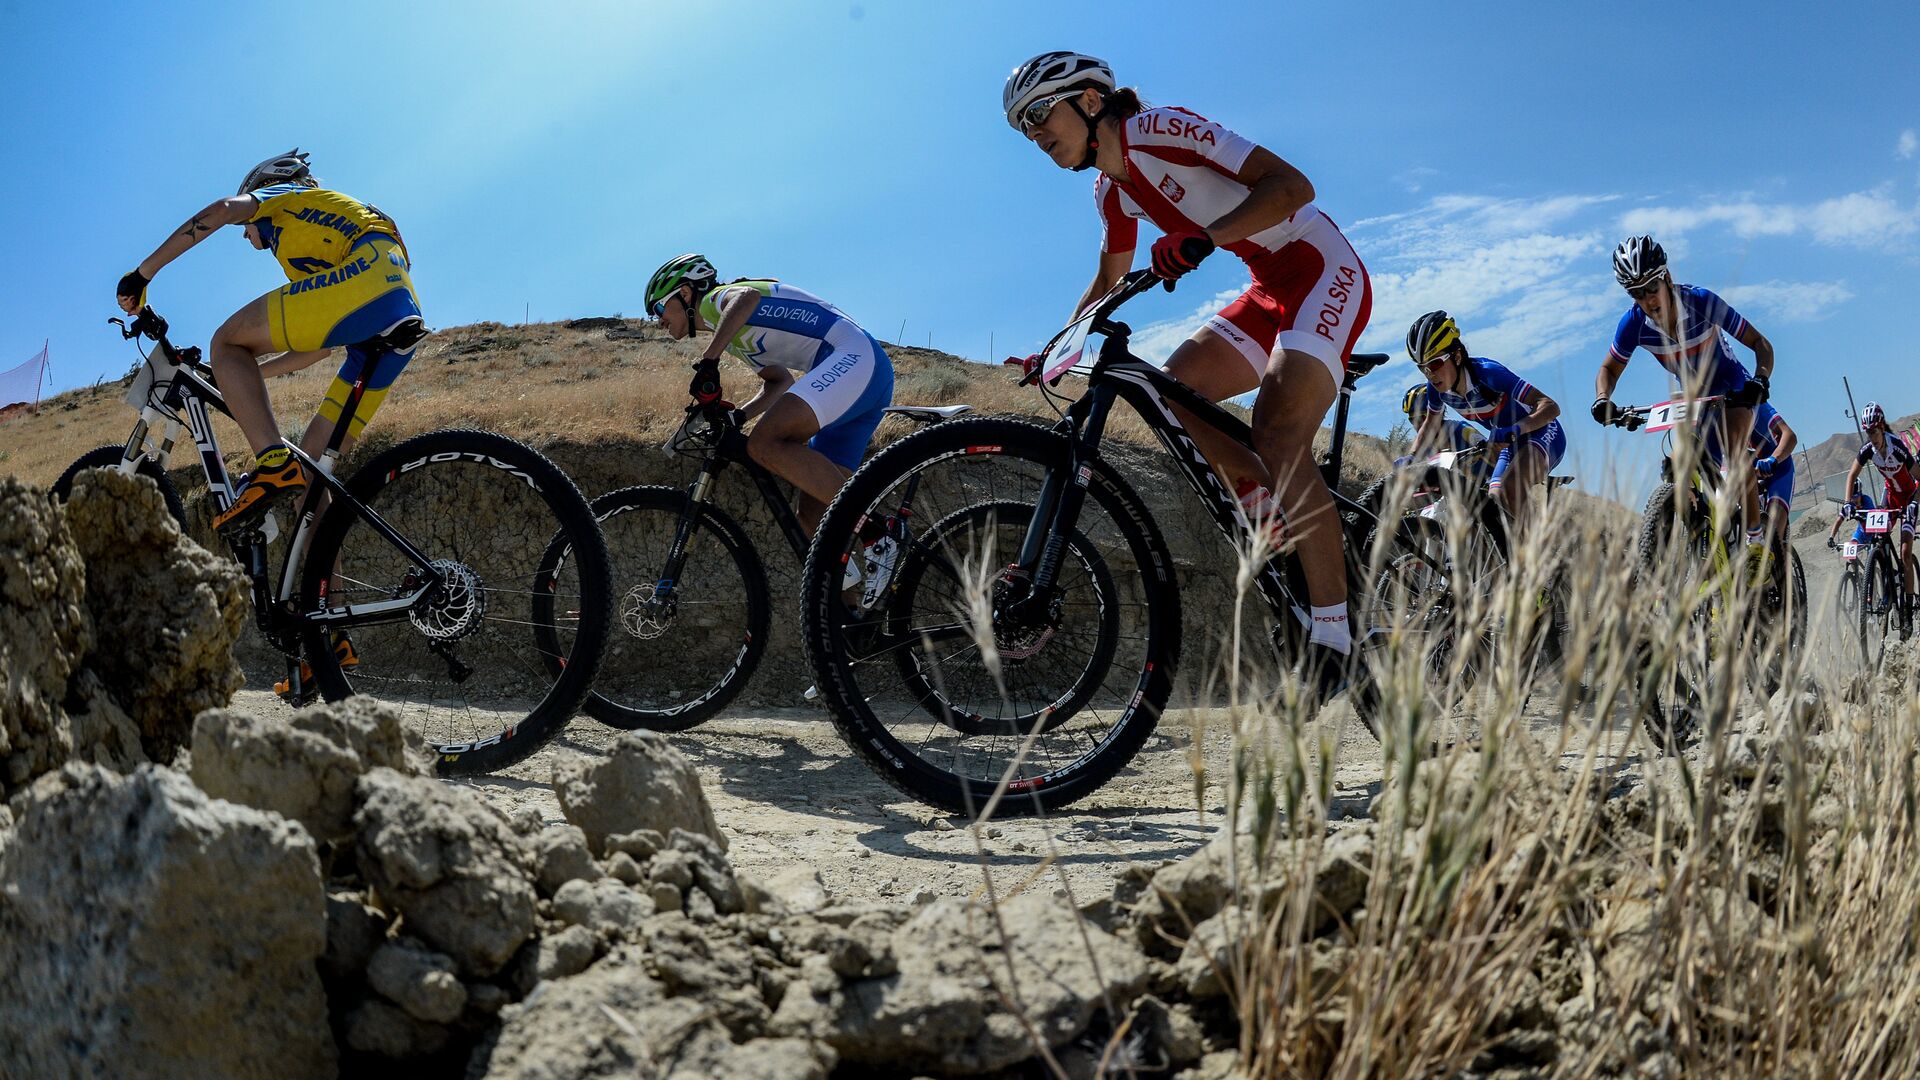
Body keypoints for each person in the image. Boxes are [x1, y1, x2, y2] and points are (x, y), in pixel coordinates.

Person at [1003, 51, 1373, 689]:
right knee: (1175, 391)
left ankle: (1335, 635)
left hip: (1319, 266)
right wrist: (1057, 342)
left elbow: (1292, 188)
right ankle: (1270, 511)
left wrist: (1206, 238)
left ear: (1091, 101)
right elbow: (1109, 276)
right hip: (1265, 289)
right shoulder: (1110, 190)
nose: (1035, 136)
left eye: (1039, 115)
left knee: (1279, 432)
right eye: (1023, 127)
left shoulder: (1161, 129)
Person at [115, 149, 423, 535]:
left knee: (226, 341)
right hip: (395, 315)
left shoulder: (286, 197)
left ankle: (273, 464)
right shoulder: (315, 235)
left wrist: (143, 274)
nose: (245, 234)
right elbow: (317, 348)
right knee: (310, 476)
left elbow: (224, 209)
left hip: (367, 282)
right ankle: (327, 595)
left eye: (248, 228)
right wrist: (239, 375)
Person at [645, 254, 894, 539]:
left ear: (686, 293)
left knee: (764, 443)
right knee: (812, 515)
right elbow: (779, 382)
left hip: (854, 358)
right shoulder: (732, 332)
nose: (658, 320)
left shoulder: (714, 301)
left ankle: (877, 533)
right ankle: (844, 579)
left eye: (660, 307)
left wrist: (709, 361)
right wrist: (739, 416)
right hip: (861, 377)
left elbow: (747, 297)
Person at [1590, 234, 1776, 551]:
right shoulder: (1633, 324)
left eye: (1652, 286)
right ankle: (1695, 546)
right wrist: (1603, 399)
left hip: (1732, 386)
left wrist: (1760, 379)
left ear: (1667, 277)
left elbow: (1761, 344)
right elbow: (1608, 369)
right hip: (1692, 401)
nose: (1648, 298)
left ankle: (1756, 542)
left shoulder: (1701, 301)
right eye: (1637, 292)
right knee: (1675, 467)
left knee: (1734, 451)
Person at [1403, 311, 1563, 525]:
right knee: (1495, 503)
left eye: (1434, 364)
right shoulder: (1437, 390)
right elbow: (1430, 425)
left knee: (1511, 490)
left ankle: (1537, 555)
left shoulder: (1489, 374)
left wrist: (1516, 429)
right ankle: (1518, 552)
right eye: (1422, 368)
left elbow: (1550, 406)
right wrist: (1412, 458)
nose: (1430, 375)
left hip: (1541, 432)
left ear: (1457, 356)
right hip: (1510, 444)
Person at [1842, 402, 1917, 621]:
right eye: (1868, 432)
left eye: (1874, 431)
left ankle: (1909, 610)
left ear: (1882, 428)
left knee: (1905, 553)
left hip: (1910, 496)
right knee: (1878, 540)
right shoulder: (1867, 451)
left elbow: (1918, 478)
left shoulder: (1898, 447)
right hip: (1890, 497)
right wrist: (1848, 502)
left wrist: (1914, 503)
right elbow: (1851, 476)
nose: (1872, 436)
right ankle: (1888, 579)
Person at [1746, 401, 1797, 550]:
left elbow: (1790, 435)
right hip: (1749, 476)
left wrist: (1773, 460)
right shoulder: (1711, 413)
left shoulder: (1754, 405)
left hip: (1778, 470)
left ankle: (1778, 564)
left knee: (1772, 539)